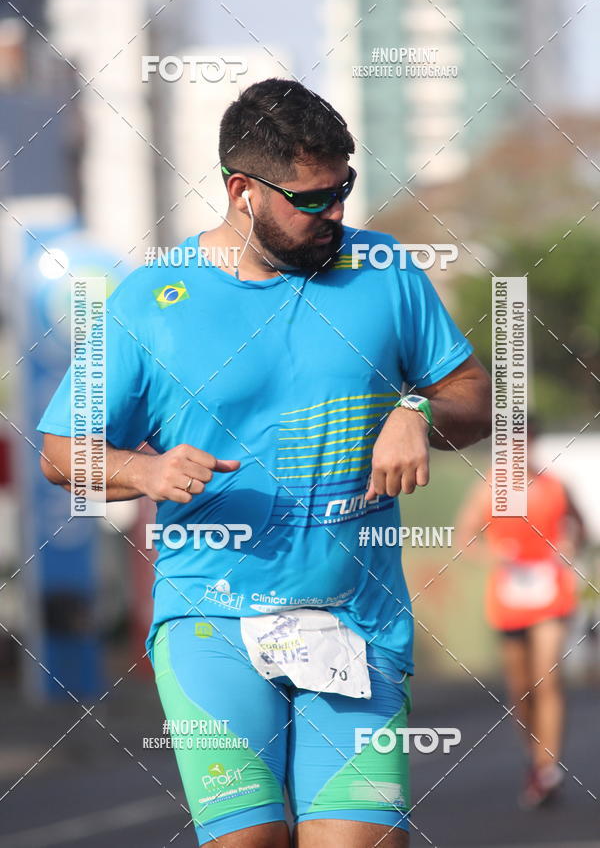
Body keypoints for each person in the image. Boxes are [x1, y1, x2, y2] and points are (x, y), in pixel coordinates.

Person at [38, 78, 491, 848]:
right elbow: (58, 452)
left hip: (355, 620)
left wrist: (416, 412)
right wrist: (144, 473)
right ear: (241, 191)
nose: (335, 213)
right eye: (311, 200)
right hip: (210, 620)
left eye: (342, 189)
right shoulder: (151, 300)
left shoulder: (382, 269)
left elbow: (474, 397)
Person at [455, 417, 585, 809]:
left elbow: (579, 526)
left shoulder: (555, 485)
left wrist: (571, 544)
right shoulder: (488, 488)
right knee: (521, 689)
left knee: (548, 678)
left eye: (525, 442)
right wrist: (492, 554)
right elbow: (465, 538)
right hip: (510, 594)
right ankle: (535, 756)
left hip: (550, 590)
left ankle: (548, 768)